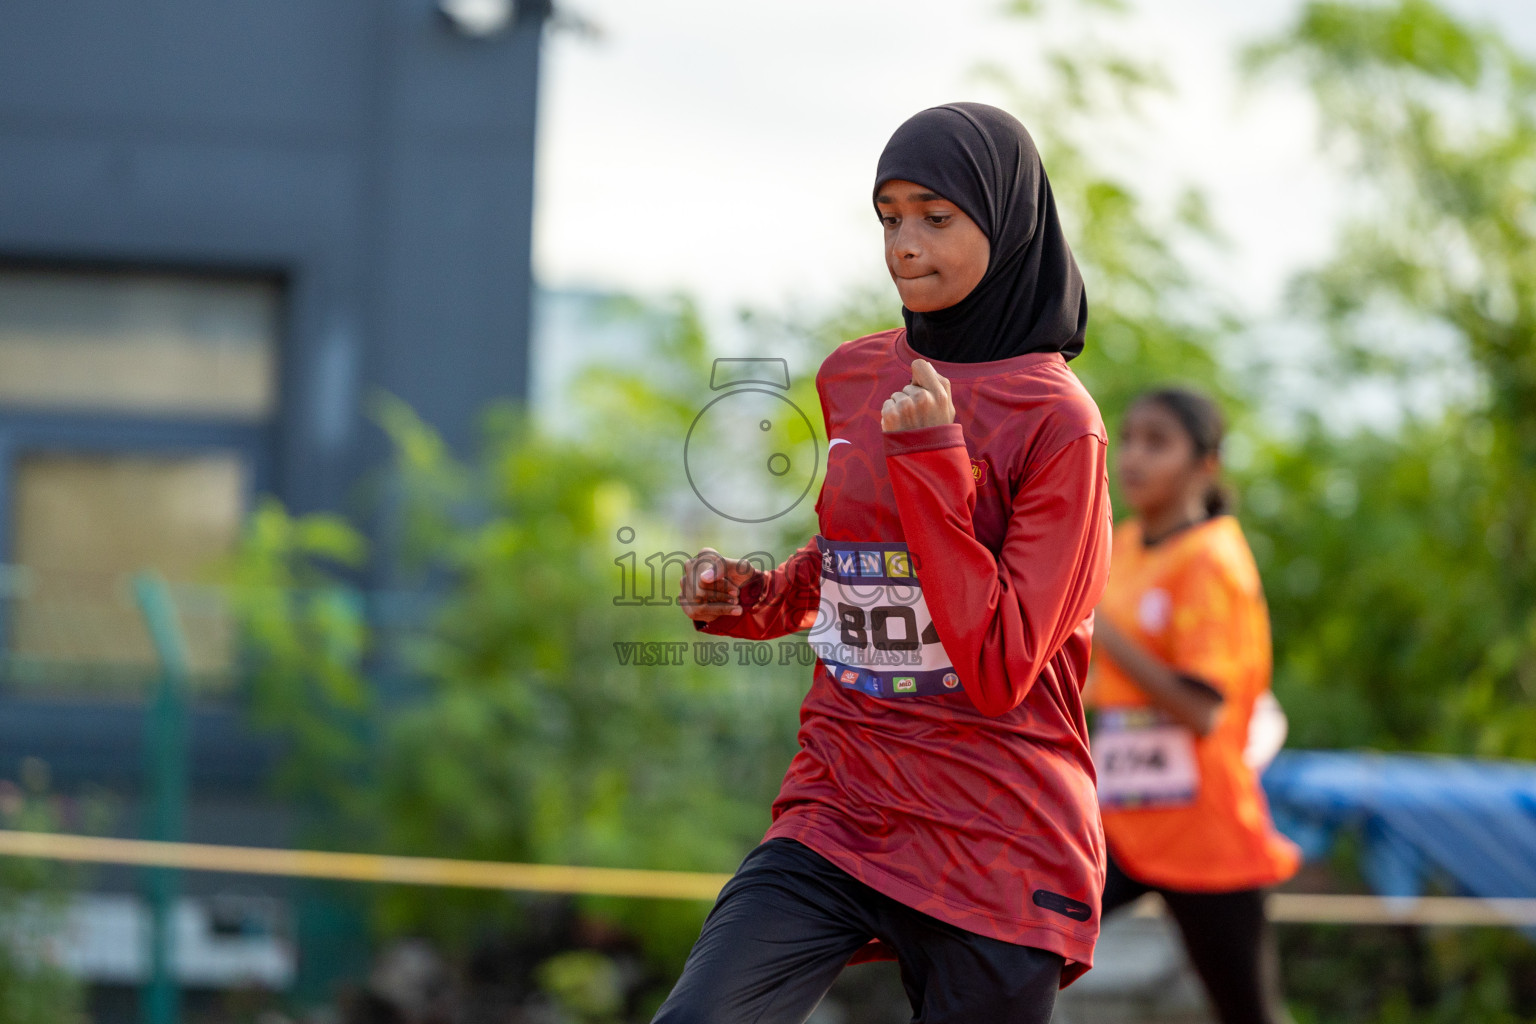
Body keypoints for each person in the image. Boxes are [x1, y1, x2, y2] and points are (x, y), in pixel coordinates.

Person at [658, 102, 1113, 1024]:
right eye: (889, 216)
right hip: (842, 801)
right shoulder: (856, 376)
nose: (904, 244)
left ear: (1008, 221)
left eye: (935, 217)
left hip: (997, 836)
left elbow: (997, 665)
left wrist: (934, 459)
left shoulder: (1062, 424)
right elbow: (853, 557)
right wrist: (746, 600)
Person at [1086, 386, 1302, 1024]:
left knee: (1248, 1013)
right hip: (1119, 819)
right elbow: (1097, 680)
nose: (1133, 457)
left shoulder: (1214, 559)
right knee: (1015, 940)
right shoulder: (1119, 546)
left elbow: (1202, 711)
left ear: (1205, 463)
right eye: (1127, 439)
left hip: (1205, 831)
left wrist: (1104, 628)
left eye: (1158, 442)